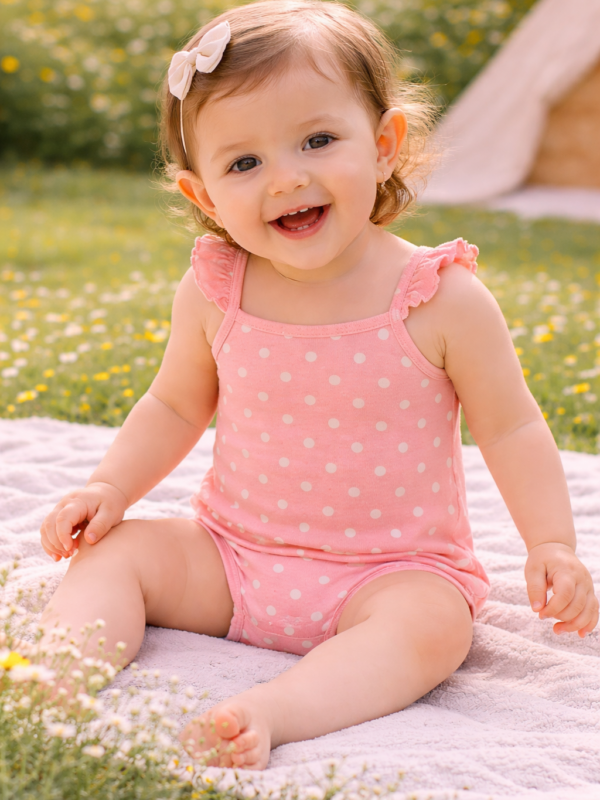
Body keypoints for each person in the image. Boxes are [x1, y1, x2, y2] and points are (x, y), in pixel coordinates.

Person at [39, 0, 598, 771]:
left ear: (383, 146)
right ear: (203, 196)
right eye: (244, 163)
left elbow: (512, 428)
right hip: (232, 556)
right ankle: (52, 686)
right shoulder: (216, 289)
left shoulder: (439, 296)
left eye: (318, 140)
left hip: (388, 574)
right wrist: (109, 487)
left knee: (435, 627)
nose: (287, 178)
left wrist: (553, 543)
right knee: (117, 553)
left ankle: (272, 711)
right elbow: (172, 404)